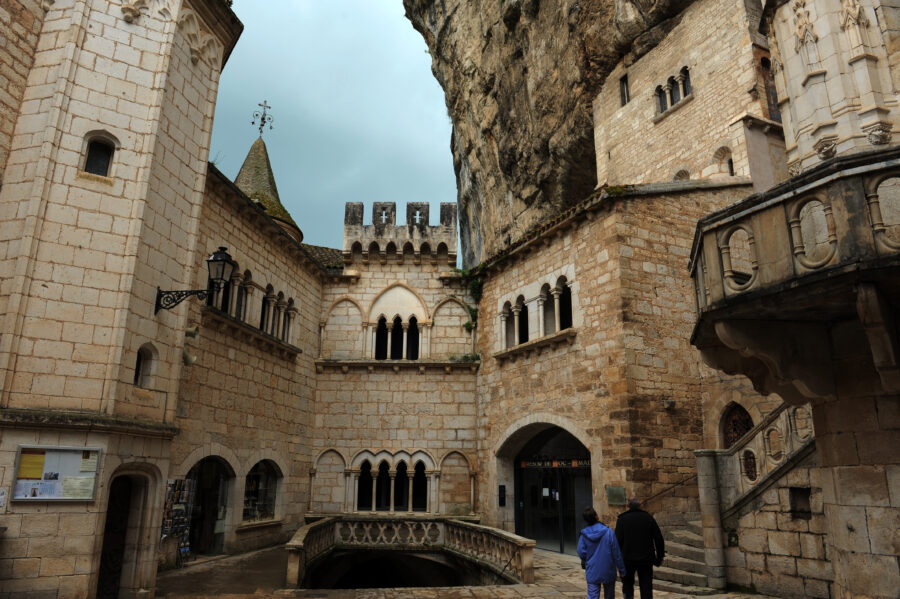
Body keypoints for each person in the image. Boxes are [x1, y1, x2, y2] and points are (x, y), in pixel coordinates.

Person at [615, 497, 665, 599]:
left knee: (628, 586)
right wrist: (659, 558)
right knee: (646, 586)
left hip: (628, 560)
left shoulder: (622, 519)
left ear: (628, 506)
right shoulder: (648, 518)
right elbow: (659, 538)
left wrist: (618, 563)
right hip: (646, 559)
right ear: (639, 505)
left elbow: (617, 542)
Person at [577, 506, 626, 599]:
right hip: (609, 569)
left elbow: (580, 551)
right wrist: (622, 569)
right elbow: (616, 553)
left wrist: (588, 559)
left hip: (593, 570)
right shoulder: (609, 532)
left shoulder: (584, 535)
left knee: (592, 595)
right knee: (609, 595)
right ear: (597, 516)